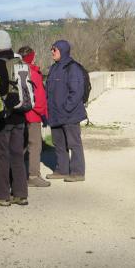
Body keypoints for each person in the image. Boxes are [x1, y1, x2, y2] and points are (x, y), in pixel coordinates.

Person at [0, 30, 29, 206]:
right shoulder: (20, 62)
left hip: (4, 117)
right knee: (17, 155)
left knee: (0, 156)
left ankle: (2, 195)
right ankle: (20, 193)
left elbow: (0, 90)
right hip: (21, 115)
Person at [45, 40, 86, 182]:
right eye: (51, 49)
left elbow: (76, 92)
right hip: (55, 114)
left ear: (62, 50)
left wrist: (66, 108)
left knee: (74, 144)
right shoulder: (54, 68)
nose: (52, 52)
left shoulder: (73, 68)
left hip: (69, 114)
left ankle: (78, 172)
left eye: (54, 49)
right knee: (59, 144)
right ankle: (62, 170)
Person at [18, 46, 50, 187]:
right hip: (33, 114)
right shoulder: (34, 73)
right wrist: (43, 114)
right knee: (35, 145)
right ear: (32, 57)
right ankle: (34, 175)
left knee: (20, 146)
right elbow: (40, 98)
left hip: (19, 114)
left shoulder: (16, 71)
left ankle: (17, 175)